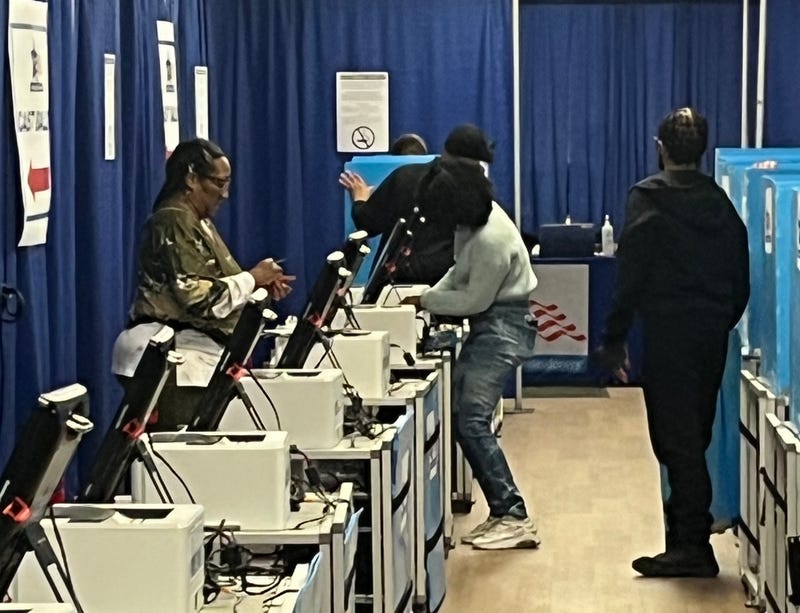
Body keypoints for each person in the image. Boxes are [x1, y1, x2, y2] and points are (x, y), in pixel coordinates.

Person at [595, 107, 750, 577]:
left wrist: (614, 337)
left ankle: (691, 547)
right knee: (694, 436)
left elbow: (631, 274)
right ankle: (687, 536)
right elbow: (741, 278)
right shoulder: (721, 203)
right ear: (702, 152)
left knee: (675, 440)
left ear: (660, 148)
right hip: (709, 335)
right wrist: (721, 321)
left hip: (668, 336)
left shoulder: (647, 200)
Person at [400, 157, 541, 550]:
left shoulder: (491, 239)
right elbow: (459, 273)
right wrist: (428, 296)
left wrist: (427, 300)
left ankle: (514, 515)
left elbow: (475, 300)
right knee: (462, 413)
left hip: (503, 325)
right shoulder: (474, 221)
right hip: (491, 322)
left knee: (472, 420)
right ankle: (502, 512)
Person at [112, 138, 294, 430]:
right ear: (191, 178)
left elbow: (222, 286)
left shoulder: (199, 221)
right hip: (172, 362)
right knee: (181, 458)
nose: (225, 194)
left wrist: (258, 287)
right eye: (219, 183)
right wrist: (252, 278)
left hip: (193, 358)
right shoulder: (172, 221)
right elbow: (198, 300)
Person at [339, 123, 495, 286]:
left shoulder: (404, 177)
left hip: (397, 282)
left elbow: (367, 224)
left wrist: (360, 199)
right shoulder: (474, 193)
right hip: (449, 282)